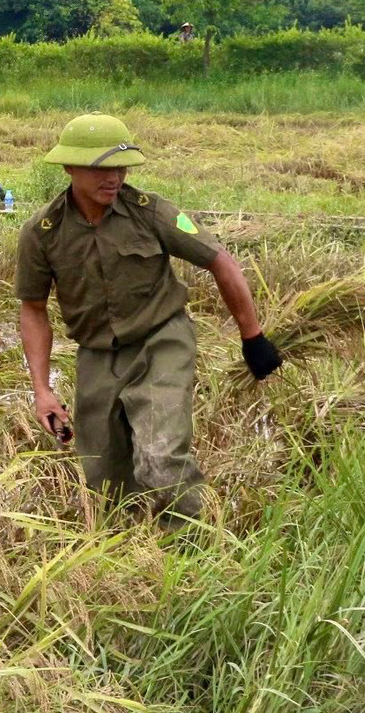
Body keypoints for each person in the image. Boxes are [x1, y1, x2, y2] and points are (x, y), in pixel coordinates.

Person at [16, 112, 283, 528]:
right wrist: (42, 391)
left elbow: (221, 262)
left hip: (162, 342)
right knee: (103, 481)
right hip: (98, 355)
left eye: (121, 167)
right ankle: (127, 560)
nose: (115, 177)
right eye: (102, 167)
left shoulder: (152, 212)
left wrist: (253, 337)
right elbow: (33, 309)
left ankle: (189, 552)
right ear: (68, 167)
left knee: (161, 460)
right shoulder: (42, 232)